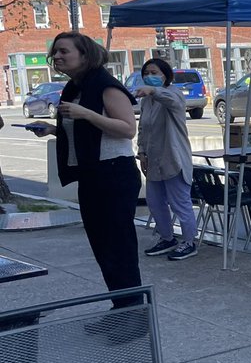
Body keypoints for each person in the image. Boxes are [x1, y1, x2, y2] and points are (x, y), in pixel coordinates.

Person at [28, 32, 142, 321]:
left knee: (119, 249)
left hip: (114, 175)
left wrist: (86, 114)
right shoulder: (74, 88)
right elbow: (84, 131)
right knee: (103, 248)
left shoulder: (105, 86)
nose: (57, 57)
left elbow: (128, 129)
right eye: (55, 53)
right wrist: (53, 129)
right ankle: (120, 309)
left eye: (64, 51)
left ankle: (134, 315)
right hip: (91, 176)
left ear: (85, 54)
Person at [135, 58, 197, 261]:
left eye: (154, 73)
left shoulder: (174, 94)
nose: (149, 77)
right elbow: (143, 129)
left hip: (173, 158)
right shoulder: (146, 101)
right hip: (154, 160)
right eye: (146, 73)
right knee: (155, 202)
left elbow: (173, 102)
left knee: (180, 203)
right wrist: (142, 152)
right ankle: (167, 238)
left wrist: (154, 91)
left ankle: (189, 241)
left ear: (165, 75)